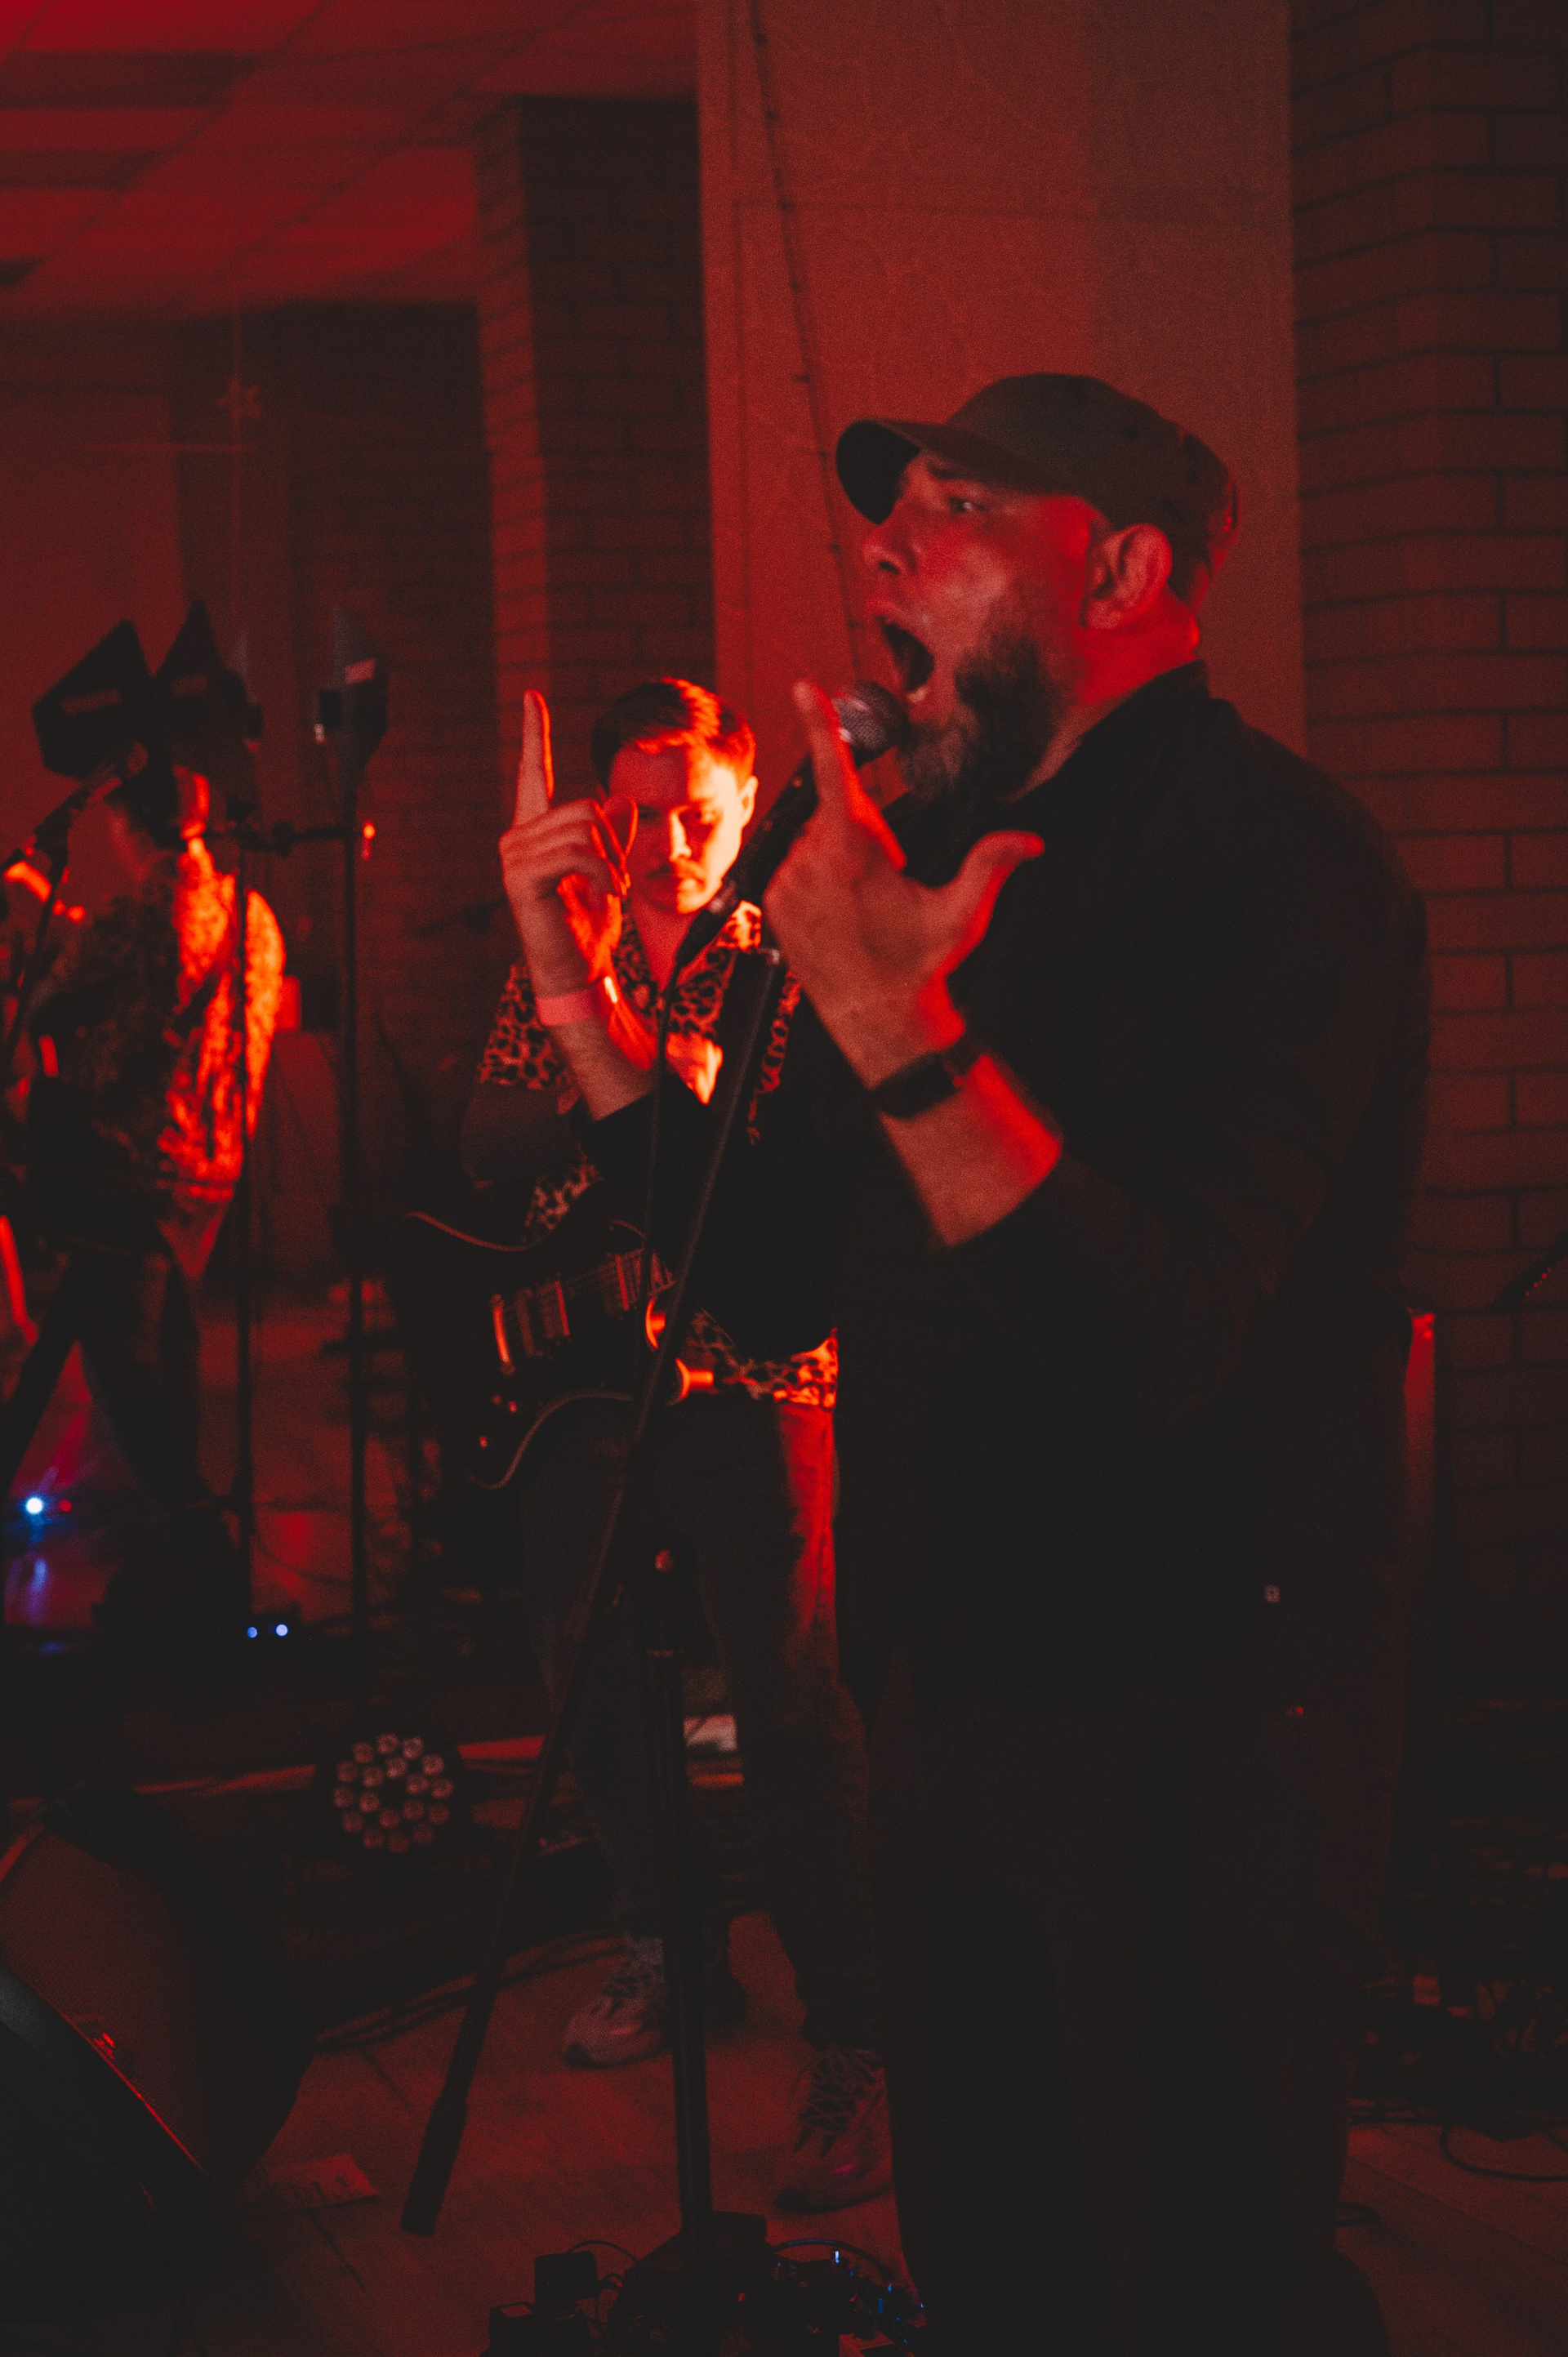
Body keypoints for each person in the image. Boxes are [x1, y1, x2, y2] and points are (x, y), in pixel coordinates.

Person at [501, 378, 1431, 2353]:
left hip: (1190, 1701)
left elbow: (1161, 1332)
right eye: (888, 513)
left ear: (1124, 568)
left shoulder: (1275, 862)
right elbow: (761, 1276)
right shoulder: (926, 855)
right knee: (1001, 2258)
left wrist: (896, 1022)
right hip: (951, 1674)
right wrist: (578, 989)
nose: (884, 548)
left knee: (1203, 2279)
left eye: (957, 509)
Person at [469, 678, 889, 2212]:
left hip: (755, 1377)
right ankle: (670, 1942)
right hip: (589, 1382)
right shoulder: (561, 943)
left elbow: (758, 1186)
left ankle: (857, 2029)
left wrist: (619, 1049)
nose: (665, 843)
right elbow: (490, 1140)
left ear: (744, 802)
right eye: (636, 815)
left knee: (789, 1699)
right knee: (581, 1663)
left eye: (693, 811)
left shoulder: (782, 955)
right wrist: (576, 991)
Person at [20, 754, 283, 1640]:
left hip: (125, 1168)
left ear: (128, 825)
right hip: (213, 1171)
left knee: (123, 1363)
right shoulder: (252, 912)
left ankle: (191, 1531)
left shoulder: (137, 915)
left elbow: (45, 1006)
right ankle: (185, 1545)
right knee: (172, 1350)